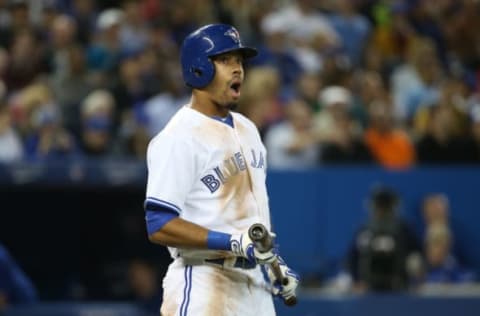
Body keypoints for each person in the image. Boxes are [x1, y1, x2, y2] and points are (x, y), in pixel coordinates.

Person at [143, 24, 299, 316]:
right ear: (199, 67)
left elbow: (252, 223)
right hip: (205, 281)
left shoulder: (249, 129)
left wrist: (275, 268)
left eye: (239, 60)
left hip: (255, 289)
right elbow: (159, 223)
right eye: (225, 59)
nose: (237, 68)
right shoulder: (178, 137)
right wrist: (231, 242)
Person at [346, 185, 422, 292]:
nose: (381, 211)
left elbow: (418, 255)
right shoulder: (365, 230)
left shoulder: (403, 230)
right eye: (379, 206)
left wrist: (414, 278)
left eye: (385, 206)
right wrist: (357, 280)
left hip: (398, 287)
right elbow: (352, 257)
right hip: (369, 288)